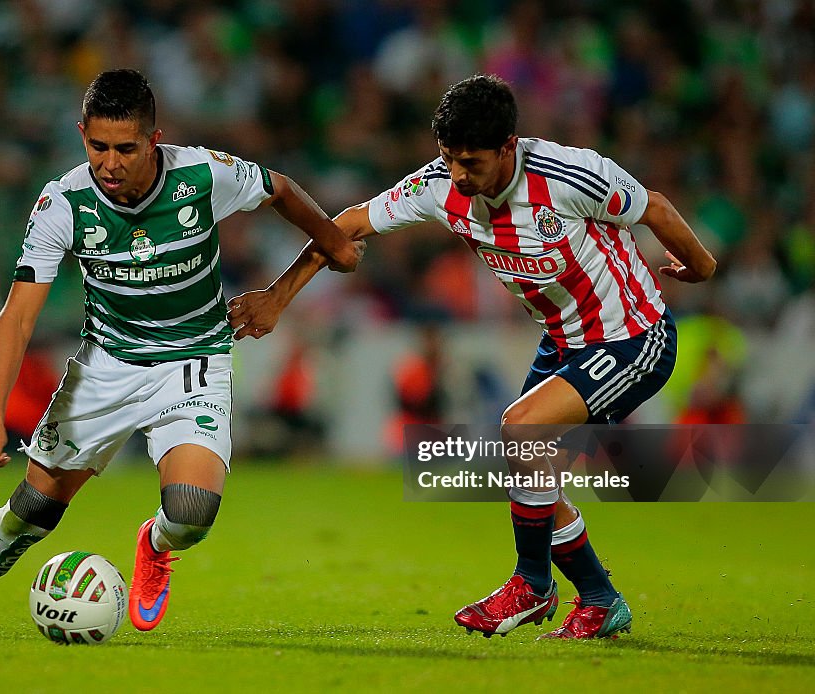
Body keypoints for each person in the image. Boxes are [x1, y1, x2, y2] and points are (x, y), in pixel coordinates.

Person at [0, 68, 364, 637]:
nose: (110, 162)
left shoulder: (200, 173)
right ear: (82, 135)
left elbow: (277, 187)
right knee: (32, 509)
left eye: (126, 148)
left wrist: (327, 244)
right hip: (106, 367)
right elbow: (20, 313)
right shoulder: (62, 200)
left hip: (193, 362)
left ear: (154, 139)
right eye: (98, 146)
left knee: (192, 514)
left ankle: (154, 544)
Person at [227, 74, 716, 640]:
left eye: (472, 162)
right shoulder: (440, 184)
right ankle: (600, 598)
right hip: (563, 342)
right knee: (531, 470)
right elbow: (350, 223)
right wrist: (278, 296)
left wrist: (700, 268)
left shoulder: (569, 176)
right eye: (450, 159)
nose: (459, 175)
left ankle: (531, 586)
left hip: (633, 335)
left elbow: (653, 207)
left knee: (519, 432)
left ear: (509, 146)